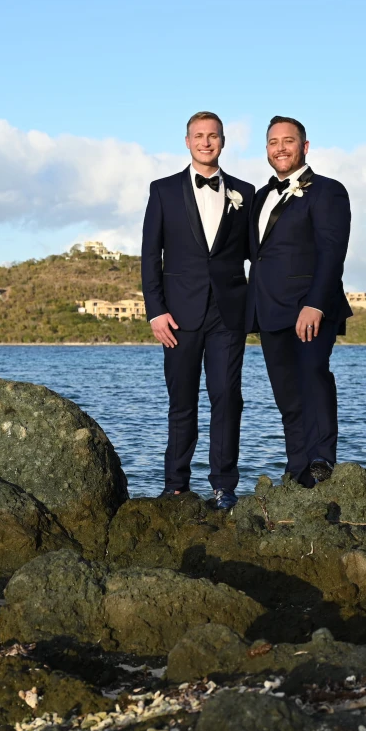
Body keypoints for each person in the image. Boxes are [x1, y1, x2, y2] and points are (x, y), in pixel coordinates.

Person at [141, 111, 255, 510]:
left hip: (228, 314)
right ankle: (176, 485)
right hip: (177, 316)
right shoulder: (162, 190)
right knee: (182, 401)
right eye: (198, 136)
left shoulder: (246, 191)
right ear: (187, 141)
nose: (206, 142)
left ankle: (224, 486)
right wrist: (155, 311)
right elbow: (149, 255)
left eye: (213, 136)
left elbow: (257, 256)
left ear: (223, 141)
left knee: (227, 398)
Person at [246, 116, 353, 488]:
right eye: (273, 142)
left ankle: (322, 460)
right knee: (286, 393)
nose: (280, 148)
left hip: (311, 308)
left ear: (304, 147)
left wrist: (316, 304)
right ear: (267, 149)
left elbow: (331, 252)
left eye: (288, 141)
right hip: (269, 310)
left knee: (313, 375)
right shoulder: (259, 196)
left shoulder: (328, 191)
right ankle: (297, 469)